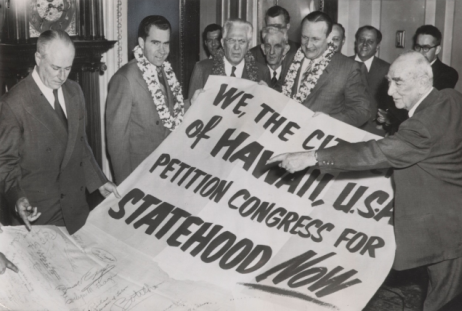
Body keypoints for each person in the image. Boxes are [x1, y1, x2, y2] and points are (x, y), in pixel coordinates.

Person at [268, 51, 462, 311]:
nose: (390, 91)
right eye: (389, 81)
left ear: (423, 82)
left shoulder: (420, 127)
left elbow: (374, 153)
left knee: (444, 303)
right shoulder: (453, 98)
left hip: (448, 233)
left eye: (398, 82)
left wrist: (311, 157)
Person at [0, 30, 120, 234]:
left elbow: (80, 144)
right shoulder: (13, 103)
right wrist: (17, 197)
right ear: (38, 58)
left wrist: (99, 181)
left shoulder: (75, 92)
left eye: (68, 68)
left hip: (76, 208)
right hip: (37, 212)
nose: (62, 76)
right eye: (56, 68)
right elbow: (4, 162)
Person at [106, 16, 195, 184]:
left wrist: (191, 102)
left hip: (167, 170)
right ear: (141, 42)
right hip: (140, 173)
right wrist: (126, 185)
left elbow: (169, 115)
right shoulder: (124, 79)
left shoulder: (166, 71)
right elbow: (117, 142)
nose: (162, 51)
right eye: (155, 43)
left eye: (166, 43)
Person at [282, 11, 373, 128]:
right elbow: (283, 89)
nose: (308, 45)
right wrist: (266, 91)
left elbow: (362, 111)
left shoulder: (348, 67)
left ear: (329, 38)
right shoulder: (290, 58)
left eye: (315, 39)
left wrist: (331, 121)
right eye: (304, 37)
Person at [188, 19, 270, 98]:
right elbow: (189, 109)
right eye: (231, 40)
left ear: (249, 44)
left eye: (241, 41)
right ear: (223, 43)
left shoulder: (262, 72)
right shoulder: (202, 69)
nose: (236, 47)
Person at [352, 25, 401, 135]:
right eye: (361, 40)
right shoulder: (343, 64)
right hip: (345, 127)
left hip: (375, 131)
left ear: (377, 46)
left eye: (370, 41)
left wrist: (386, 119)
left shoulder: (388, 69)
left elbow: (394, 104)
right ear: (356, 42)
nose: (365, 44)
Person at [414, 24, 458, 90]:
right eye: (418, 47)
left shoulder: (448, 73)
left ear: (437, 50)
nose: (420, 53)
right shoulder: (408, 66)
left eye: (426, 48)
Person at [261, 26, 292, 92]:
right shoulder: (255, 73)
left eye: (277, 46)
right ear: (263, 49)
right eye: (268, 46)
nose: (272, 52)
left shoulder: (291, 74)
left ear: (285, 50)